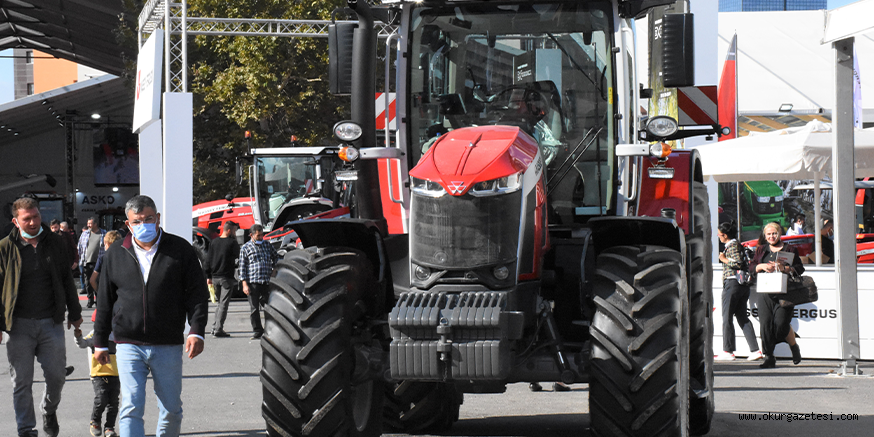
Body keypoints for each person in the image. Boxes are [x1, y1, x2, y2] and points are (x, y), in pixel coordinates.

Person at [93, 195, 209, 437]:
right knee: (131, 407)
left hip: (167, 343)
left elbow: (197, 293)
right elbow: (105, 301)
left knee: (171, 410)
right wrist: (100, 343)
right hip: (127, 343)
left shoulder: (180, 250)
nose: (142, 225)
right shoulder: (115, 253)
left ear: (157, 219)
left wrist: (196, 330)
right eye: (137, 221)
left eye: (148, 219)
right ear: (128, 224)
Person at [1, 197, 83, 437]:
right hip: (18, 327)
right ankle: (26, 429)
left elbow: (67, 280)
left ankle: (49, 409)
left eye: (36, 216)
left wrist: (75, 313)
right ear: (16, 221)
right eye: (27, 219)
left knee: (57, 376)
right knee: (21, 382)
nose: (33, 222)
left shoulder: (55, 244)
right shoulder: (5, 248)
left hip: (51, 323)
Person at [750, 222, 804, 369]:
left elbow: (800, 268)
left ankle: (793, 346)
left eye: (774, 233)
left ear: (779, 234)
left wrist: (784, 268)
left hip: (784, 291)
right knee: (765, 325)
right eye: (768, 234)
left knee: (781, 324)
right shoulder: (761, 249)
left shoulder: (790, 249)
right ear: (765, 236)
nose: (771, 236)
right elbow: (751, 266)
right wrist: (761, 266)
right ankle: (769, 356)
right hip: (765, 291)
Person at [715, 222, 762, 361]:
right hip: (742, 285)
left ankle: (728, 350)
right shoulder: (737, 245)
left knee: (727, 317)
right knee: (742, 317)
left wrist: (723, 259)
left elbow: (738, 263)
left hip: (732, 283)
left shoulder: (732, 245)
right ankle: (755, 350)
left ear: (725, 235)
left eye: (719, 234)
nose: (718, 237)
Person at [74, 311, 119, 437]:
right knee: (101, 398)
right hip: (98, 374)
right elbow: (83, 344)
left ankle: (109, 428)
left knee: (113, 403)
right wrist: (78, 336)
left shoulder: (117, 335)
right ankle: (95, 421)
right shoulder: (95, 335)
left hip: (115, 374)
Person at [239, 224, 278, 340]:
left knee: (269, 307)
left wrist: (274, 270)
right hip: (253, 282)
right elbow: (242, 267)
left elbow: (276, 257)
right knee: (254, 308)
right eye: (258, 235)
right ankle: (257, 330)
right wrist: (244, 284)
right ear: (251, 235)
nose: (261, 237)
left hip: (266, 281)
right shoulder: (245, 248)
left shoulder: (267, 245)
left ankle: (270, 330)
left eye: (262, 235)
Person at [205, 221, 240, 338]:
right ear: (229, 230)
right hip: (226, 277)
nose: (235, 233)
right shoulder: (232, 243)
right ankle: (218, 328)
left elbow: (208, 260)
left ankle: (214, 326)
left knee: (220, 304)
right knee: (224, 304)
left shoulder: (214, 242)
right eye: (234, 230)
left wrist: (208, 276)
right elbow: (238, 257)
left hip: (214, 277)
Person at [78, 217, 106, 308]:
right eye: (88, 223)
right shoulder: (85, 234)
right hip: (87, 262)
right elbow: (80, 247)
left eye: (90, 223)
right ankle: (90, 300)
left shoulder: (103, 233)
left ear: (95, 224)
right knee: (88, 282)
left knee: (98, 282)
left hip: (99, 262)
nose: (88, 225)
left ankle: (99, 300)